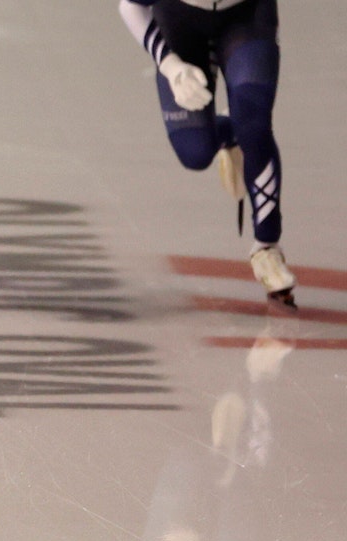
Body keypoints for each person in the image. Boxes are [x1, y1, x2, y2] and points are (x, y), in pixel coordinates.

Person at [118, 0, 294, 309]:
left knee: (254, 120)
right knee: (195, 152)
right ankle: (229, 131)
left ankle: (266, 245)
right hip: (180, 21)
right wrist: (171, 66)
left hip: (246, 16)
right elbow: (130, 6)